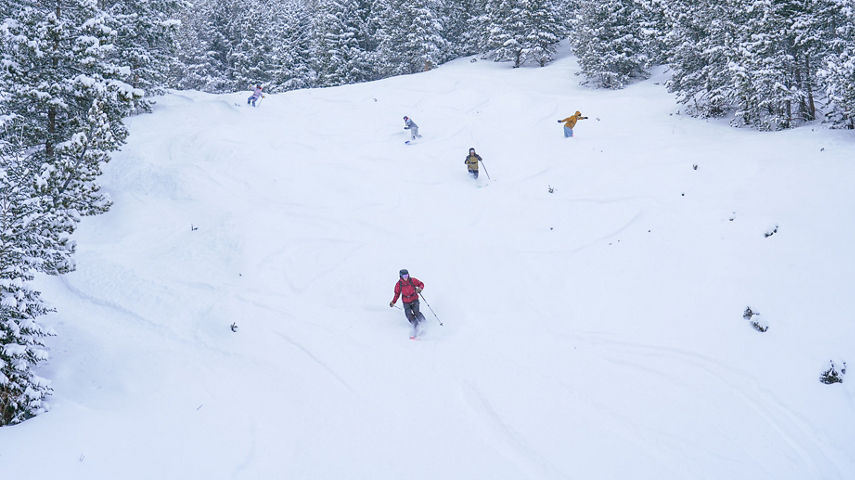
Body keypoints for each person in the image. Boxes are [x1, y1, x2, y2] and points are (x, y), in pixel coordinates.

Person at [389, 269, 426, 334]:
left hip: (414, 299)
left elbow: (421, 284)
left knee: (416, 312)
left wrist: (420, 288)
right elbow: (396, 294)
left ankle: (425, 324)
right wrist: (393, 302)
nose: (406, 277)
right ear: (401, 276)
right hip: (406, 301)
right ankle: (416, 325)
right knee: (408, 314)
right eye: (404, 276)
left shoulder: (413, 280)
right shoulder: (398, 284)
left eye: (407, 275)